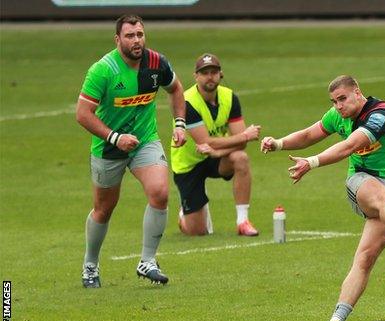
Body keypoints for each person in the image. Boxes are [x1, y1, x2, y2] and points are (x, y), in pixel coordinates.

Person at [261, 75, 385, 321]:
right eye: (334, 101)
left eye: (342, 99)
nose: (338, 106)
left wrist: (312, 162)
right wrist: (279, 143)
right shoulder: (336, 116)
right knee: (379, 197)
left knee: (364, 259)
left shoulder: (381, 114)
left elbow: (351, 145)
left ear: (357, 93)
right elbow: (309, 134)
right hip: (360, 182)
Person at [76, 14, 187, 288]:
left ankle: (147, 261)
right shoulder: (102, 70)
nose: (136, 40)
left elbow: (176, 89)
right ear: (117, 40)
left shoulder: (156, 63)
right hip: (108, 147)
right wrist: (115, 137)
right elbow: (83, 114)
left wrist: (180, 124)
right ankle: (90, 265)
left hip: (144, 141)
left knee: (160, 192)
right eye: (130, 36)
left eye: (140, 34)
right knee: (104, 209)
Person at [171, 53, 261, 236]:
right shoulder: (187, 101)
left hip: (216, 155)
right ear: (196, 76)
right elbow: (205, 141)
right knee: (198, 231)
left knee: (241, 158)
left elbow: (240, 144)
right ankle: (184, 215)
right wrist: (245, 135)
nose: (210, 76)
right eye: (204, 73)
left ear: (221, 74)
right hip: (188, 163)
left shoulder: (229, 97)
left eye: (213, 71)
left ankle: (242, 221)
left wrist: (219, 153)